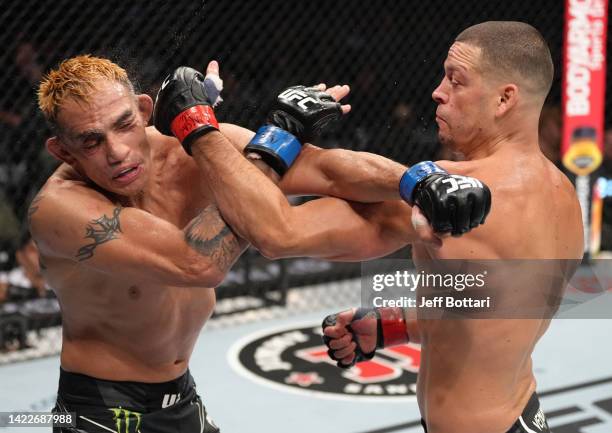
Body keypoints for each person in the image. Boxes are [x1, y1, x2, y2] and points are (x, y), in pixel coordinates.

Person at [152, 21, 583, 433]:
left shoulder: (454, 201)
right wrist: (392, 327)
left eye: (457, 80)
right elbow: (496, 306)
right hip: (523, 415)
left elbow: (276, 232)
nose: (438, 92)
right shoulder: (563, 194)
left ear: (505, 99)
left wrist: (199, 123)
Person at [31, 55, 489, 432]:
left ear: (145, 112)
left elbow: (326, 170)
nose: (116, 151)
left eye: (123, 124)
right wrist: (273, 139)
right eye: (91, 141)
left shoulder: (191, 150)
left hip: (182, 397)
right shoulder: (61, 210)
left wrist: (418, 181)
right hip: (100, 411)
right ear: (63, 151)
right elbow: (197, 264)